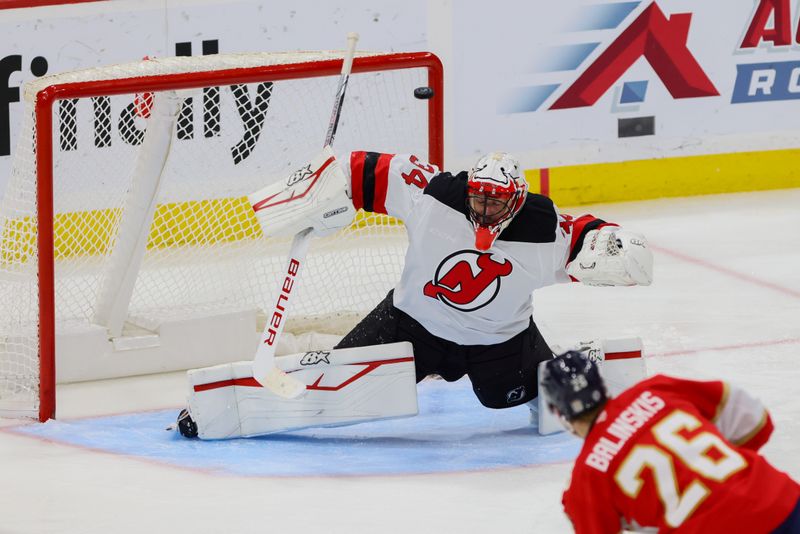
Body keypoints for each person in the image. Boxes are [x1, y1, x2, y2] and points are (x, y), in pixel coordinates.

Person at [334, 150, 653, 410]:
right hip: (413, 324)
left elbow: (584, 235)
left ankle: (585, 362)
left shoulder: (541, 228)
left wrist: (612, 244)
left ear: (516, 201)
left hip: (498, 341)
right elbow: (374, 171)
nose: (485, 210)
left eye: (495, 202)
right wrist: (327, 185)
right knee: (343, 382)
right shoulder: (437, 197)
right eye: (479, 199)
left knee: (502, 399)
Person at [540, 351, 800, 533]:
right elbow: (755, 417)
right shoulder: (655, 390)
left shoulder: (587, 477)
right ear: (602, 385)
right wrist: (728, 478)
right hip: (780, 497)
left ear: (559, 413)